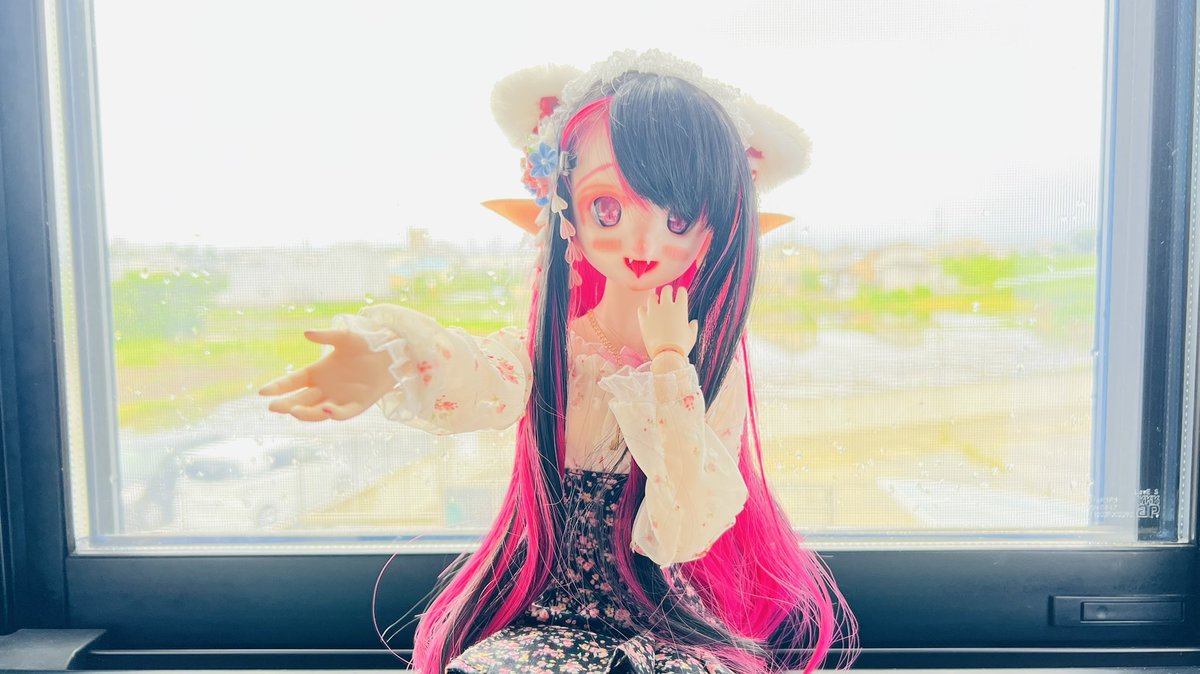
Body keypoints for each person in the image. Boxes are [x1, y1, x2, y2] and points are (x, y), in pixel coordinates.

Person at [259, 50, 859, 674]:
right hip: (547, 607)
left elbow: (686, 526)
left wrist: (668, 364)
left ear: (717, 230)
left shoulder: (705, 369)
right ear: (566, 206)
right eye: (609, 208)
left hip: (662, 612)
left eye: (678, 218)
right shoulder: (557, 351)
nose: (643, 241)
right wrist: (395, 356)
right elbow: (483, 375)